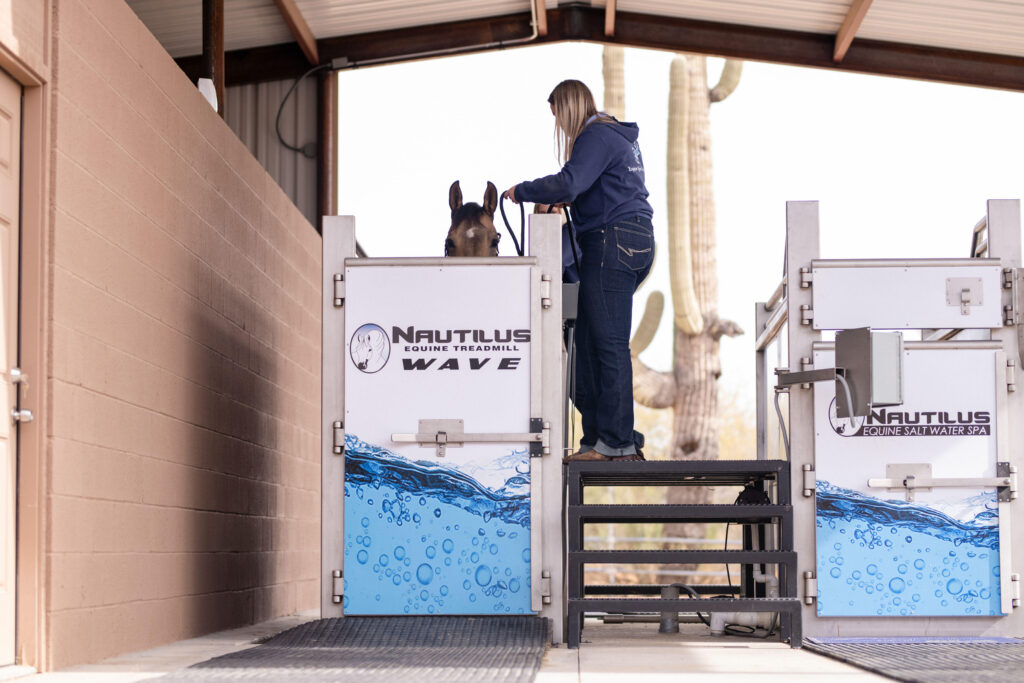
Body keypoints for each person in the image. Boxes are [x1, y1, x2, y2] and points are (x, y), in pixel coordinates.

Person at [504, 79, 654, 462]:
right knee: (585, 344)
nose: (560, 126)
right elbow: (589, 188)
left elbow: (571, 182)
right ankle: (600, 439)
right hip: (626, 239)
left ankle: (617, 444)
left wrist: (522, 191)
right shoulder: (617, 138)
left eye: (558, 116)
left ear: (568, 107)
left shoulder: (595, 136)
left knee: (608, 344)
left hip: (612, 241)